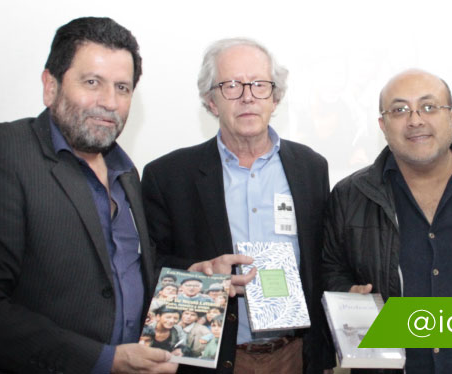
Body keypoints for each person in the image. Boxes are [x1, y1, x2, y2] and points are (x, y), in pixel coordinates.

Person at [0, 17, 177, 373]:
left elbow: (120, 275)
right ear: (51, 86)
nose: (110, 102)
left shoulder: (126, 173)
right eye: (92, 82)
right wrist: (104, 361)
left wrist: (193, 279)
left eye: (122, 88)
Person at [322, 69, 452, 374]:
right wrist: (349, 294)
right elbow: (332, 269)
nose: (415, 120)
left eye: (428, 107)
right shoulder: (350, 197)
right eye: (399, 110)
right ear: (382, 125)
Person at [142, 37, 334, 373]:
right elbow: (147, 269)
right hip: (212, 359)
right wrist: (199, 272)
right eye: (231, 85)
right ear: (211, 100)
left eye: (259, 85)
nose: (247, 96)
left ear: (275, 97)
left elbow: (323, 260)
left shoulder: (311, 168)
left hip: (295, 355)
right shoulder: (168, 176)